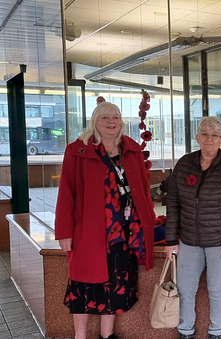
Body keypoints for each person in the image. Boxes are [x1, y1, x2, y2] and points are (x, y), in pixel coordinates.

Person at [54, 101, 155, 339]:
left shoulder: (131, 149)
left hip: (123, 234)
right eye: (105, 118)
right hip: (88, 234)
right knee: (84, 286)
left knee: (116, 287)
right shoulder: (77, 151)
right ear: (95, 122)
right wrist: (64, 232)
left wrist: (148, 224)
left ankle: (107, 335)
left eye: (116, 117)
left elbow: (142, 189)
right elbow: (66, 194)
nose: (111, 122)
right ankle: (81, 336)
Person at [165, 116, 221, 339]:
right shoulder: (184, 164)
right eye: (205, 134)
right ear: (197, 137)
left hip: (219, 242)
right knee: (185, 290)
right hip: (188, 241)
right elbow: (173, 204)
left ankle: (216, 332)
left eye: (214, 135)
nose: (209, 139)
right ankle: (185, 331)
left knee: (216, 290)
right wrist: (171, 240)